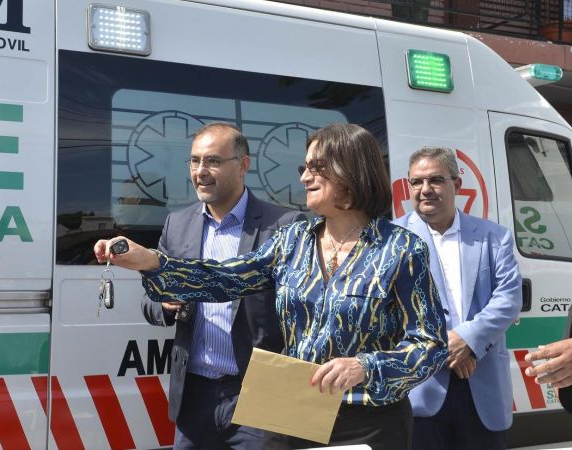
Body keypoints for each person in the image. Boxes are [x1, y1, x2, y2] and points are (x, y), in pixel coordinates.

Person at [96, 123, 448, 450]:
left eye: (316, 167)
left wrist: (366, 367)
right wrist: (153, 262)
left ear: (350, 171)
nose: (305, 178)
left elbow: (430, 344)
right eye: (304, 168)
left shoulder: (400, 249)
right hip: (296, 411)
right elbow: (226, 279)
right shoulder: (293, 240)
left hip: (368, 421)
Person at [140, 122, 306, 449]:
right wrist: (167, 305)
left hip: (262, 393)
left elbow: (303, 316)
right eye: (194, 161)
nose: (201, 171)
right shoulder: (178, 224)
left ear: (243, 165)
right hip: (195, 397)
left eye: (213, 161)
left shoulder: (284, 226)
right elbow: (150, 299)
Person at [394, 147, 522, 450]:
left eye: (435, 180)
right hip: (419, 389)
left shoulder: (494, 236)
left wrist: (469, 341)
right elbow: (388, 310)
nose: (425, 190)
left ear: (457, 185)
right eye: (416, 182)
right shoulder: (390, 238)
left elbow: (508, 299)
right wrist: (446, 349)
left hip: (482, 386)